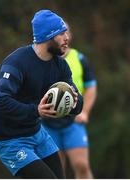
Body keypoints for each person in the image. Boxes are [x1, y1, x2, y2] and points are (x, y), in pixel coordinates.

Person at [0, 9, 83, 179]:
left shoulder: (60, 66)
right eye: (61, 34)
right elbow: (0, 101)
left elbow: (77, 104)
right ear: (48, 36)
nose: (67, 38)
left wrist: (75, 102)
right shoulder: (16, 62)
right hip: (9, 140)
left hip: (36, 132)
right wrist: (36, 111)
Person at [42, 23, 97, 179]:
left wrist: (85, 112)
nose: (64, 36)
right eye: (60, 33)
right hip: (48, 123)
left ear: (70, 35)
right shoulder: (42, 60)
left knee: (82, 165)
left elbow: (91, 87)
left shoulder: (79, 58)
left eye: (66, 32)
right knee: (56, 171)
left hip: (73, 122)